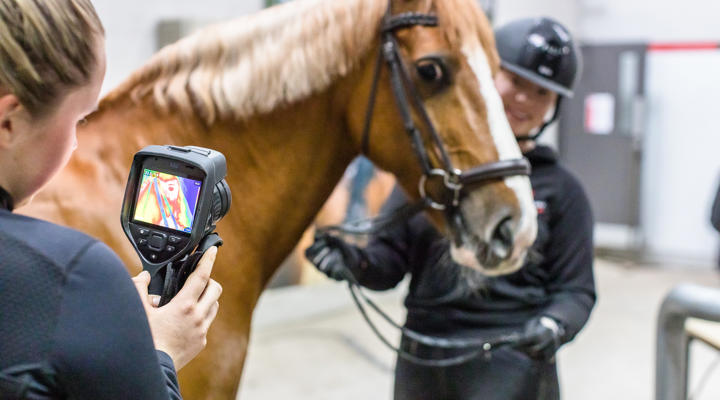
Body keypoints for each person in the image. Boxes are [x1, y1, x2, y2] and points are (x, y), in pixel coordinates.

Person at [306, 17, 596, 400]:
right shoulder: (434, 176)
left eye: (542, 92)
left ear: (554, 106)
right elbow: (389, 264)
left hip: (511, 361)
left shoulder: (564, 190)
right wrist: (353, 263)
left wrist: (553, 325)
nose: (525, 99)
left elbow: (575, 289)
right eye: (516, 82)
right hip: (425, 358)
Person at [0, 1, 222, 399]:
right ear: (8, 121)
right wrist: (162, 354)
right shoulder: (74, 277)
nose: (73, 145)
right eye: (78, 119)